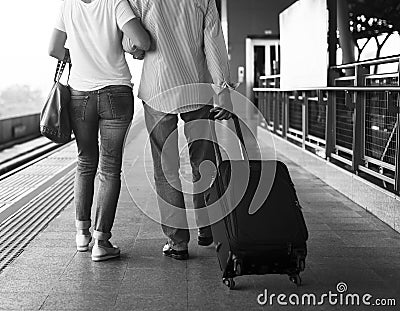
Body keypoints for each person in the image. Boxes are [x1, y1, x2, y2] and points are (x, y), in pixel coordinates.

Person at [126, 0, 236, 260]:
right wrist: (224, 90)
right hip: (197, 86)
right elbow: (214, 43)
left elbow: (134, 45)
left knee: (166, 168)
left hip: (158, 88)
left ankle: (177, 242)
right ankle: (207, 228)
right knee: (204, 160)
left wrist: (138, 50)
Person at [48, 0, 150, 261]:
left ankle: (82, 235)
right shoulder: (115, 2)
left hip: (80, 95)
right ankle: (101, 242)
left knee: (84, 162)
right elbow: (143, 41)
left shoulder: (67, 5)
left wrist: (78, 56)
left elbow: (54, 49)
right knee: (109, 167)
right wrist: (126, 47)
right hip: (116, 92)